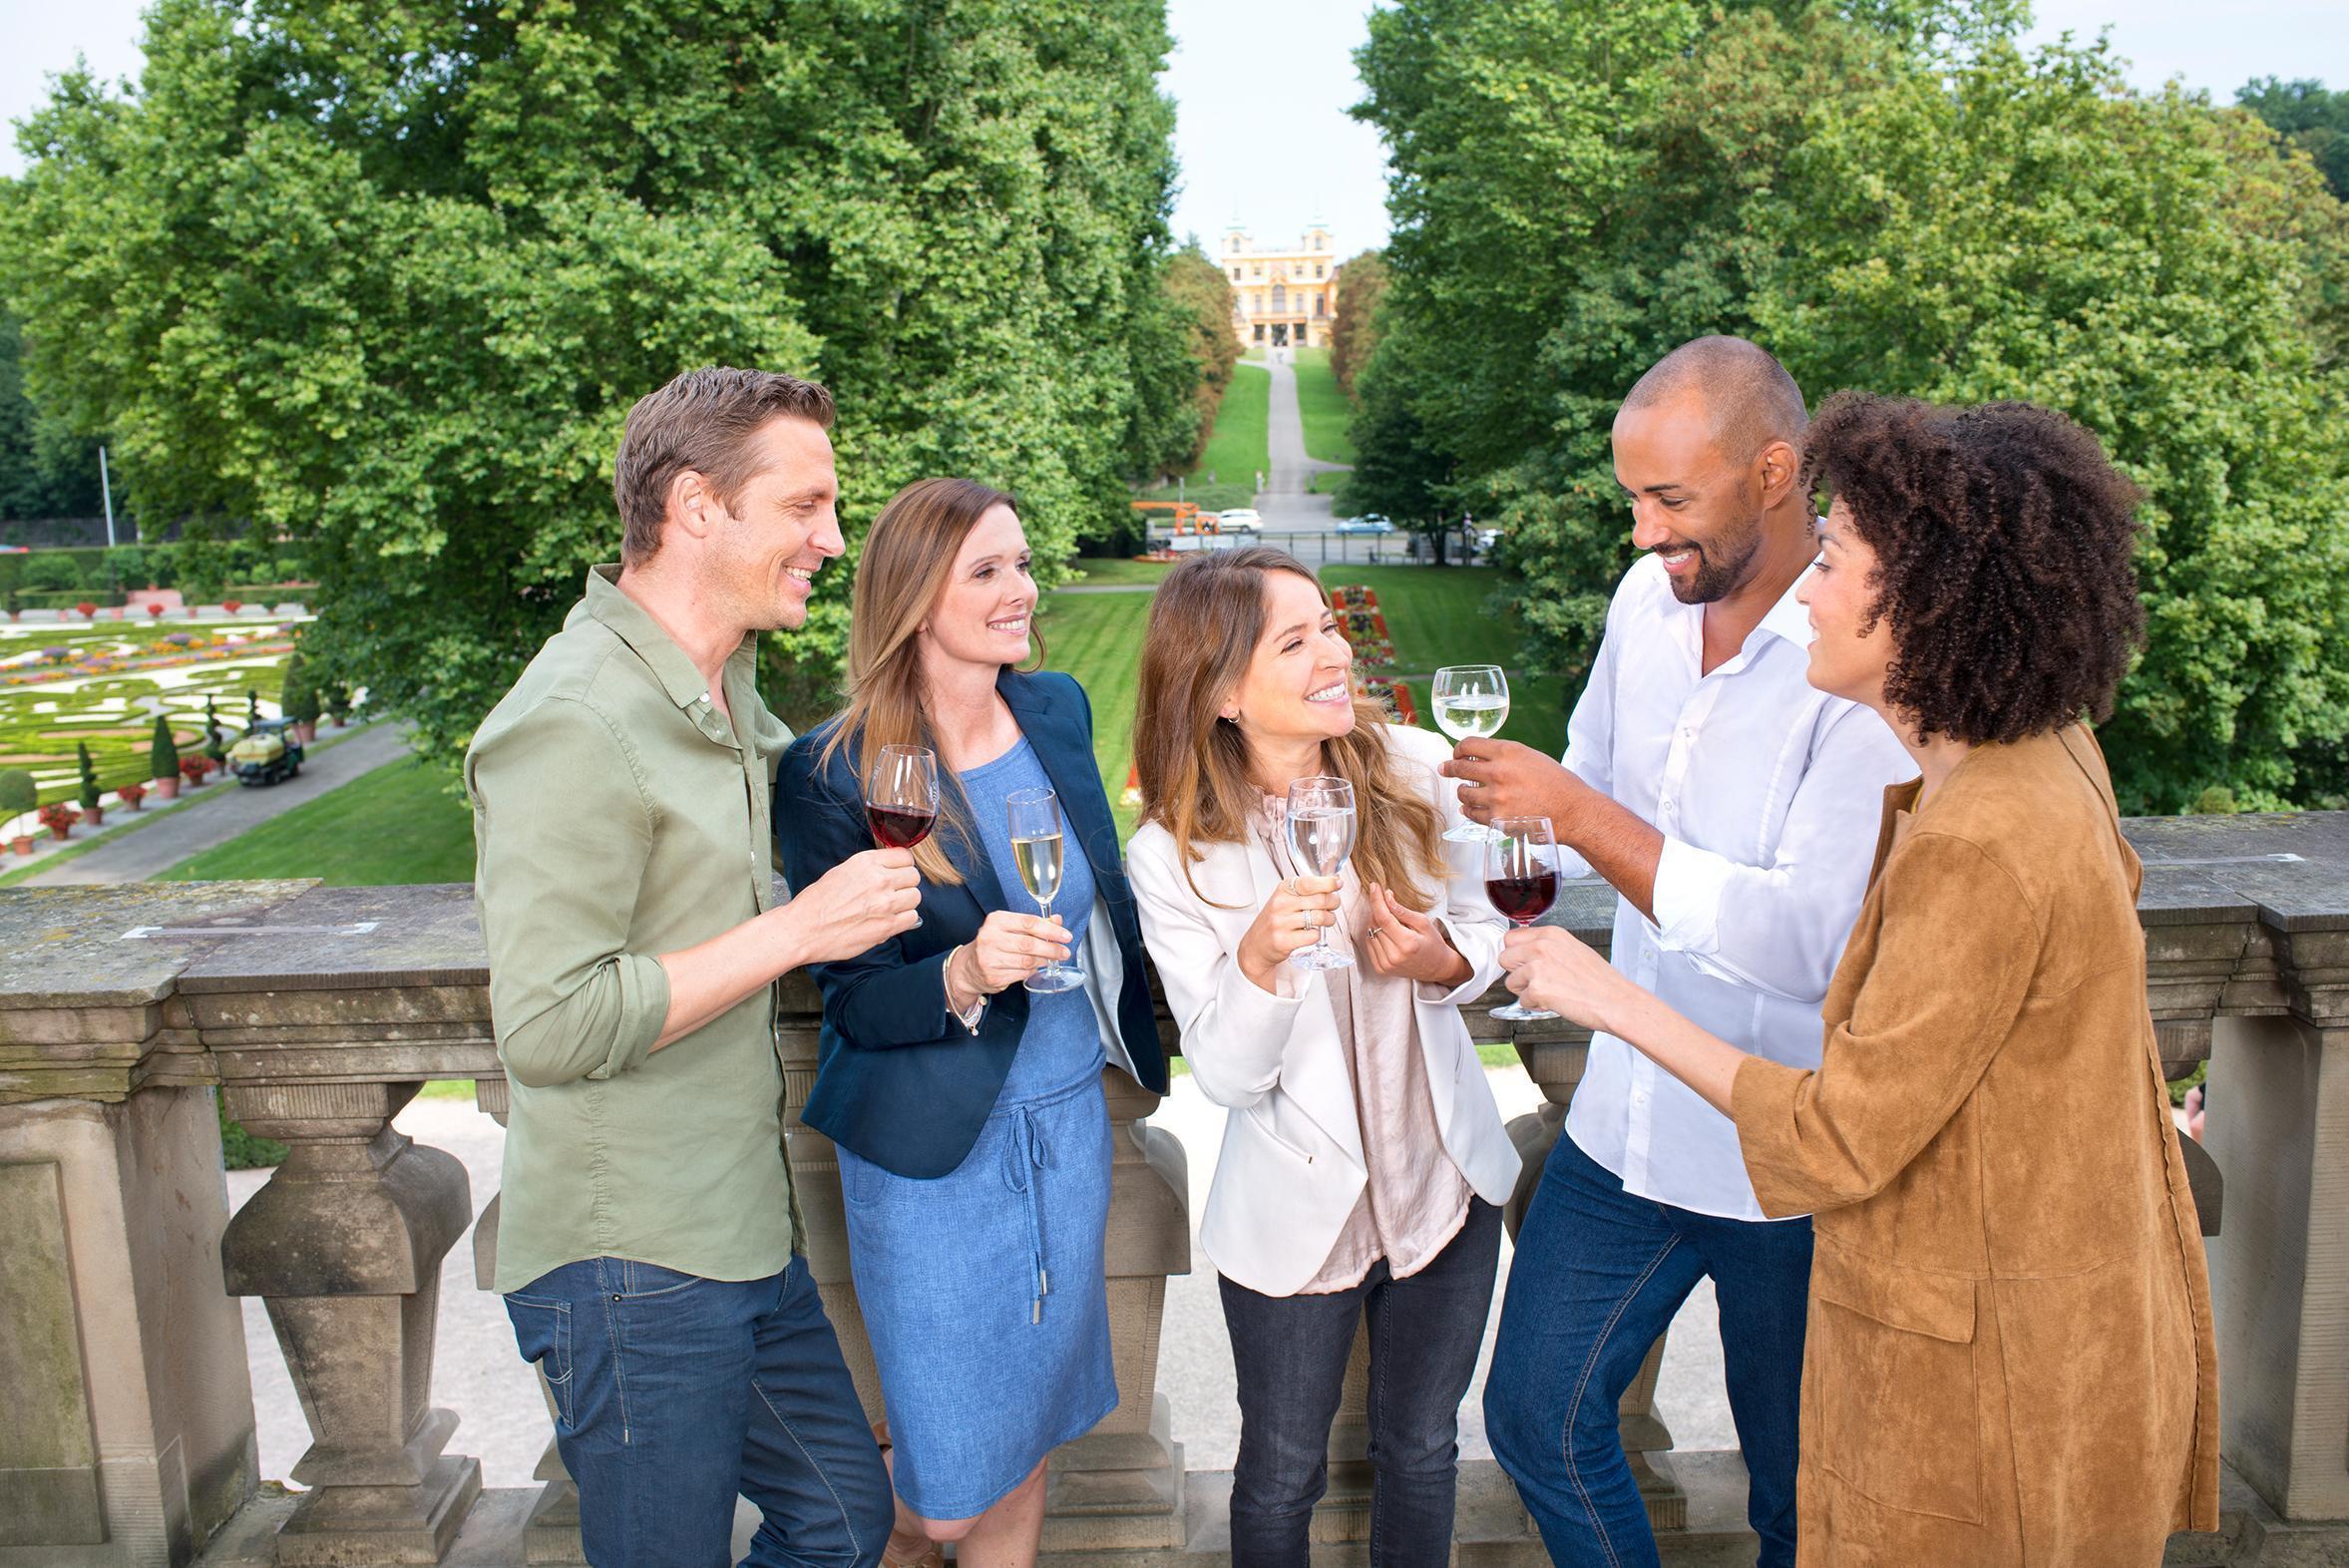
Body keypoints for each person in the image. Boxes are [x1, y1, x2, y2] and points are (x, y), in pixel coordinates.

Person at [1498, 393, 2219, 1565]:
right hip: (2000, 1308)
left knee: (1811, 1511)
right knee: (1544, 1414)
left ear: (1930, 598)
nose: (1811, 591)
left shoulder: (1984, 831)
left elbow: (1839, 1135)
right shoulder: (2021, 761)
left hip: (1976, 1352)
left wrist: (1608, 998)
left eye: (1835, 559)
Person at [1451, 337, 1915, 1567]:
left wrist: (1587, 816)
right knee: (1535, 1422)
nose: (1644, 535)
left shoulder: (1867, 661)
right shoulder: (1641, 610)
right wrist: (1458, 901)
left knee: (1801, 1502)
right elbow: (1580, 795)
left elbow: (1807, 943)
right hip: (1626, 1129)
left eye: (1670, 500)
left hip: (1791, 1160)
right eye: (1632, 500)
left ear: (1775, 471)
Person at [468, 367, 917, 1567]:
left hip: (741, 1236)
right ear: (695, 507)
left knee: (840, 1517)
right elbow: (549, 1026)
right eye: (806, 508)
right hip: (630, 1269)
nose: (832, 540)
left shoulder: (722, 689)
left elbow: (834, 796)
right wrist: (801, 931)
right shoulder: (574, 720)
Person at [774, 478, 1168, 1568]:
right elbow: (853, 998)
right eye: (987, 571)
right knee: (945, 1495)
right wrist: (961, 968)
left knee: (1027, 1436)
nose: (1023, 592)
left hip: (1066, 1127)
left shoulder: (1055, 710)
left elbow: (1101, 885)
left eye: (1025, 564)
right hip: (932, 1165)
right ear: (913, 596)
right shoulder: (829, 772)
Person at [1124, 547, 1521, 1566]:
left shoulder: (1417, 772)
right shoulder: (1173, 853)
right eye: (1295, 642)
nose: (1333, 654)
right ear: (1217, 689)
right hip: (1297, 1216)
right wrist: (1258, 959)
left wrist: (1440, 961)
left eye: (1330, 628)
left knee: (1424, 1449)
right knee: (1282, 1471)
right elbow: (1225, 1075)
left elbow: (1489, 937)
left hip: (1445, 1188)